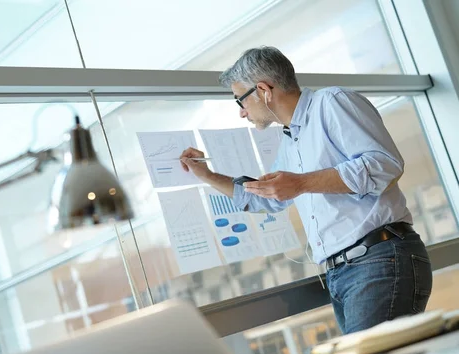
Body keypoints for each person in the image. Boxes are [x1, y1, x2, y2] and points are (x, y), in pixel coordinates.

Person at [180, 46, 433, 334]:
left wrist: (300, 183)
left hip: (379, 260)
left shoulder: (333, 102)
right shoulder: (291, 139)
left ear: (263, 90)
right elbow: (268, 198)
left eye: (241, 100)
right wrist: (207, 174)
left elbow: (384, 165)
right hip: (343, 273)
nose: (242, 112)